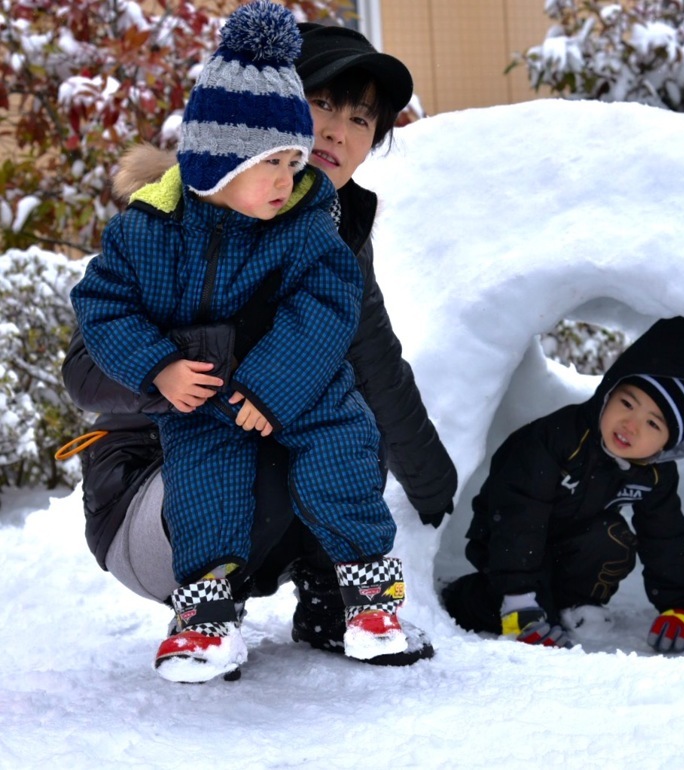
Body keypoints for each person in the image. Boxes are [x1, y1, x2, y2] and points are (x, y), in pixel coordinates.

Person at [67, 2, 450, 683]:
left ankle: (342, 604)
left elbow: (377, 362)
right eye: (322, 103)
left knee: (347, 424)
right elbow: (84, 371)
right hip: (149, 485)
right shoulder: (163, 222)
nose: (337, 130)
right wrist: (185, 364)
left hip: (250, 441)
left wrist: (437, 492)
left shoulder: (325, 235)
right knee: (264, 435)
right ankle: (206, 616)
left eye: (361, 119)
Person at [441, 317, 684, 652]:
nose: (630, 426)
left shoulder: (654, 470)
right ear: (608, 392)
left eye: (652, 423)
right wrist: (519, 604)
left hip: (570, 543)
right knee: (507, 601)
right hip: (506, 539)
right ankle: (464, 595)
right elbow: (519, 517)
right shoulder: (555, 440)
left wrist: (678, 607)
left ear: (668, 443)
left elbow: (665, 534)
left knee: (611, 538)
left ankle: (571, 605)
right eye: (627, 403)